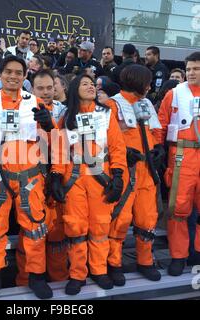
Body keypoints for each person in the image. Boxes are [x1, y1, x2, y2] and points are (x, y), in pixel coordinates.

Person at [0, 55, 56, 300]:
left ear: (24, 76)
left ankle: (36, 276)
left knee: (34, 226)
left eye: (18, 72)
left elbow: (54, 144)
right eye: (8, 71)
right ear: (0, 75)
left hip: (30, 175)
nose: (13, 76)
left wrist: (48, 125)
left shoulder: (37, 102)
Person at [50, 74, 126, 294]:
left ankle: (99, 270)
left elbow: (117, 147)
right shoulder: (66, 117)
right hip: (73, 179)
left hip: (100, 177)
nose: (91, 86)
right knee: (75, 227)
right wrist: (55, 175)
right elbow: (59, 149)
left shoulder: (106, 114)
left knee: (100, 226)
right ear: (74, 89)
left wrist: (118, 175)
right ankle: (77, 273)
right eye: (85, 84)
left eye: (93, 84)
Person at [106, 64, 163, 286]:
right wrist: (123, 153)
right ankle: (114, 263)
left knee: (147, 218)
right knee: (120, 218)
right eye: (147, 82)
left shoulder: (146, 103)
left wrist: (158, 148)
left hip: (147, 170)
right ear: (137, 82)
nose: (150, 86)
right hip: (126, 171)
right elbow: (105, 137)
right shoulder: (112, 105)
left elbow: (155, 131)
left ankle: (145, 261)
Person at [16, 69, 68, 287]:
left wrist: (58, 174)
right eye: (41, 88)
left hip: (59, 175)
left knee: (56, 234)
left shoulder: (66, 112)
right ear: (32, 89)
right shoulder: (22, 111)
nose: (46, 92)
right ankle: (25, 281)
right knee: (30, 231)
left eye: (50, 87)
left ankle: (59, 281)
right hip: (30, 178)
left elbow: (68, 147)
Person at [153, 51, 200, 276]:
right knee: (178, 209)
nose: (191, 72)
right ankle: (178, 256)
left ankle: (198, 252)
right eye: (189, 68)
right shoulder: (174, 94)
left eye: (196, 69)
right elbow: (161, 123)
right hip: (182, 156)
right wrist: (158, 147)